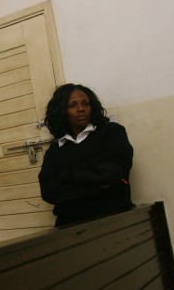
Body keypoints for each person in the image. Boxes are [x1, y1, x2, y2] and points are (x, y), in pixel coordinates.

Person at [38, 83, 133, 227]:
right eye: (72, 105)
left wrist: (67, 175)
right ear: (62, 111)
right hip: (69, 223)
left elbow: (112, 173)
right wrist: (95, 187)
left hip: (113, 217)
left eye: (85, 104)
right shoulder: (55, 151)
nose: (81, 109)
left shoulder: (112, 133)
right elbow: (49, 193)